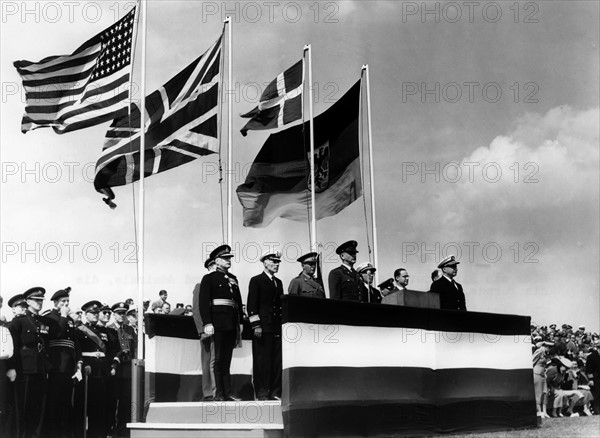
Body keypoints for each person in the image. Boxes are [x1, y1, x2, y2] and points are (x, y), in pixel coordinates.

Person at [6, 287, 54, 438]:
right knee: (23, 407)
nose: (40, 303)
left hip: (40, 369)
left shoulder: (43, 321)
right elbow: (12, 347)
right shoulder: (18, 322)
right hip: (24, 369)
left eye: (41, 300)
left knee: (38, 407)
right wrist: (12, 368)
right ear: (27, 302)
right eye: (36, 300)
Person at [199, 245, 244, 401]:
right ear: (217, 261)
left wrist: (241, 322)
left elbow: (237, 302)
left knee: (227, 359)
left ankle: (228, 392)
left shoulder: (233, 278)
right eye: (225, 258)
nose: (228, 260)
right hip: (217, 323)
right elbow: (203, 303)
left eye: (229, 258)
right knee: (217, 360)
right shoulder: (209, 278)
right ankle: (218, 393)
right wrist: (207, 323)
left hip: (231, 323)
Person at [73, 300, 121, 438]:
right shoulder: (79, 330)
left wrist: (111, 366)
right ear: (85, 314)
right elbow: (78, 351)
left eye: (96, 313)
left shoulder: (103, 331)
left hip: (102, 370)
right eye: (92, 313)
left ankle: (97, 434)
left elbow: (110, 351)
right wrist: (84, 364)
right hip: (88, 370)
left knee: (100, 406)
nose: (95, 315)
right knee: (84, 406)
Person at [44, 287, 82, 438]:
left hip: (69, 367)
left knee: (66, 403)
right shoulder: (49, 317)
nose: (66, 304)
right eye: (63, 302)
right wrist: (64, 316)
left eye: (68, 301)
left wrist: (78, 363)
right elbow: (57, 334)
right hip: (55, 365)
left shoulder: (71, 321)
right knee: (54, 403)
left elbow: (75, 344)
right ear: (55, 302)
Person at [247, 250, 284, 400]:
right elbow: (252, 305)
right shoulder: (256, 280)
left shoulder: (278, 282)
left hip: (275, 326)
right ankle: (262, 392)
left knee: (276, 360)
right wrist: (256, 325)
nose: (276, 265)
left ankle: (275, 391)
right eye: (274, 262)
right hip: (263, 326)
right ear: (265, 262)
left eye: (278, 262)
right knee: (262, 360)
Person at [108, 301, 137, 437]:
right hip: (115, 369)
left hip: (127, 370)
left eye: (123, 314)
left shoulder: (130, 329)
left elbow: (135, 349)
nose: (121, 316)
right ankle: (110, 426)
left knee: (126, 400)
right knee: (112, 399)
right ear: (114, 315)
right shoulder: (109, 329)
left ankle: (123, 428)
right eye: (119, 313)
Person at [193, 257, 217, 401]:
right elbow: (196, 309)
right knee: (207, 361)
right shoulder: (201, 285)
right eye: (214, 266)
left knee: (217, 361)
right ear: (209, 267)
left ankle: (219, 391)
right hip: (207, 331)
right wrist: (201, 330)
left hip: (219, 329)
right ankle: (209, 393)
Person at [586, 340, 600, 414]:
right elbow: (589, 369)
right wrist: (591, 379)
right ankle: (596, 409)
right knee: (596, 394)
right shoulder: (591, 356)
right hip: (595, 378)